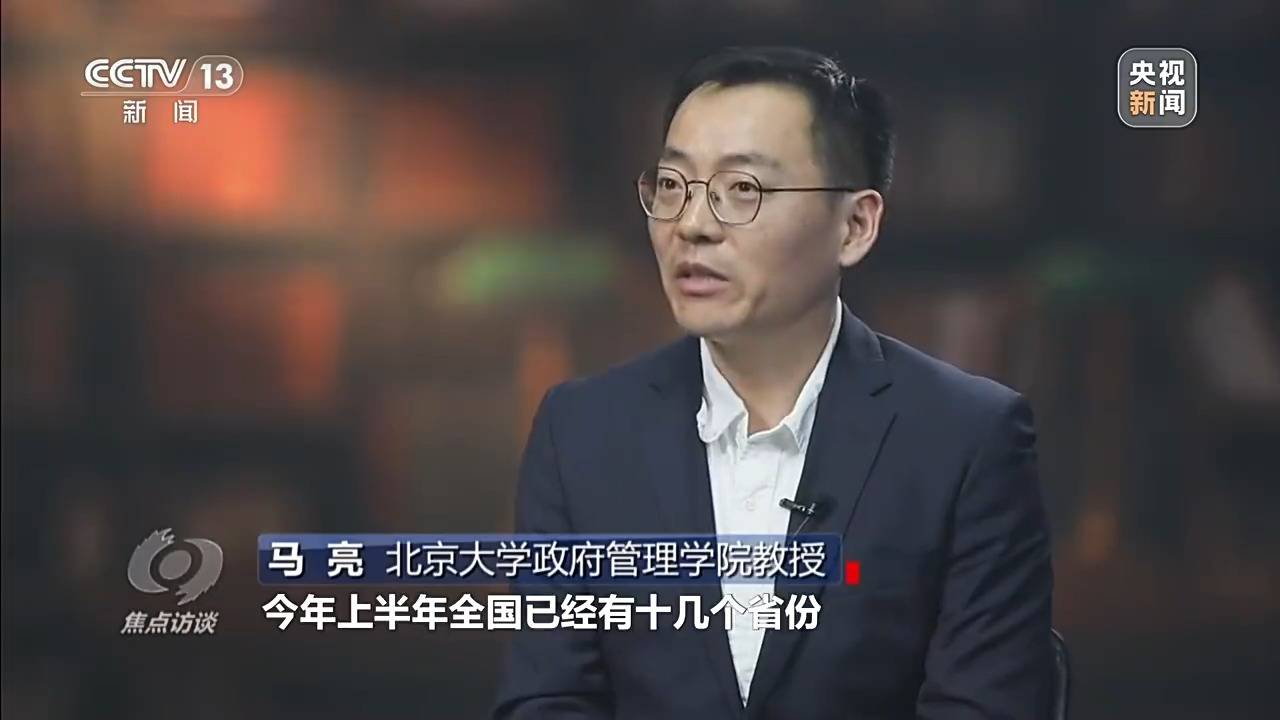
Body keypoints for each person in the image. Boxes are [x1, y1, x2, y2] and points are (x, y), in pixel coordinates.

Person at [493, 45, 1054, 720]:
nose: (691, 225)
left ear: (854, 226)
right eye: (672, 185)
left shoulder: (967, 438)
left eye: (743, 190)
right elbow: (550, 698)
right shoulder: (581, 432)